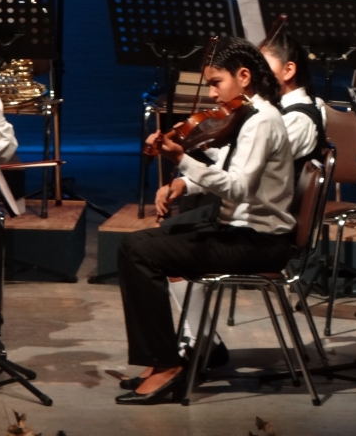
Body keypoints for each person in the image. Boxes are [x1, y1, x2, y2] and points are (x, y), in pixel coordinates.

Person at [116, 39, 295, 405]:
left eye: (216, 82)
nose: (212, 94)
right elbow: (226, 168)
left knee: (138, 250)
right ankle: (182, 351)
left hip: (260, 242)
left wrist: (182, 159)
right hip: (239, 232)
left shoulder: (262, 121)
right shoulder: (247, 116)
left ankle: (167, 364)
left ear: (243, 76)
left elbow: (239, 188)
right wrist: (183, 180)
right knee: (149, 239)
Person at [259, 31, 326, 180]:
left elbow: (255, 164)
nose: (256, 74)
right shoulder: (280, 108)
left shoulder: (297, 119)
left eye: (263, 66)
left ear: (288, 70)